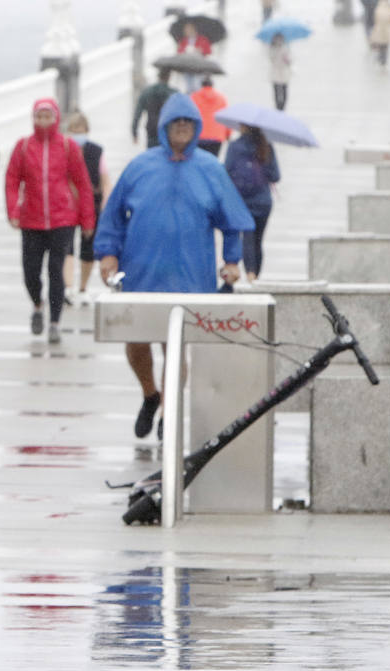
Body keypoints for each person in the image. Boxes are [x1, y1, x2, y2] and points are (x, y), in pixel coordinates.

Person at [93, 94, 254, 440]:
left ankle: (169, 410)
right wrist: (108, 253)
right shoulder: (140, 166)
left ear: (196, 128)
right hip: (141, 271)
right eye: (176, 123)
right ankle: (150, 394)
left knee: (175, 345)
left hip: (191, 274)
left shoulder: (211, 169)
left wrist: (230, 261)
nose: (182, 128)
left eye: (188, 123)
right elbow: (113, 214)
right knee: (136, 342)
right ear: (164, 127)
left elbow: (231, 220)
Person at [3, 98, 95, 344]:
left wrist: (87, 220)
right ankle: (37, 304)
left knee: (56, 271)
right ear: (33, 119)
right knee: (30, 271)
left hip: (62, 219)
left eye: (48, 116)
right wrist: (13, 209)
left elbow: (82, 183)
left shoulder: (68, 147)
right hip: (31, 220)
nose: (43, 121)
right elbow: (12, 180)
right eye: (39, 116)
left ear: (56, 119)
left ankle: (55, 322)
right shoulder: (23, 147)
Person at [63, 110, 110, 303]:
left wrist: (105, 205)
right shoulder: (63, 149)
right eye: (73, 130)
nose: (76, 134)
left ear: (87, 131)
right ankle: (67, 288)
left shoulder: (96, 152)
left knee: (88, 248)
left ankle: (82, 287)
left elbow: (105, 180)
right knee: (66, 247)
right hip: (66, 204)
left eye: (79, 130)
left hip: (92, 203)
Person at [224, 124, 281, 281]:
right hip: (263, 202)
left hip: (243, 201)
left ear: (242, 127)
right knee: (258, 240)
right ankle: (256, 275)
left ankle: (250, 274)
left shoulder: (234, 147)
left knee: (247, 238)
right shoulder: (266, 146)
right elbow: (276, 176)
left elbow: (226, 172)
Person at [131, 67, 177, 149]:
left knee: (152, 154)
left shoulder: (147, 92)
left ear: (158, 77)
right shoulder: (173, 93)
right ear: (169, 77)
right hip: (167, 129)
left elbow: (137, 114)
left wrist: (134, 132)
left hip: (151, 128)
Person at [190, 76, 231, 157]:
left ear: (202, 85)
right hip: (216, 137)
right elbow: (226, 118)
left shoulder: (194, 97)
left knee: (198, 161)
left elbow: (190, 116)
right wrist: (227, 134)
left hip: (199, 136)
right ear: (212, 85)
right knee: (213, 162)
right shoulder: (221, 99)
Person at [176, 21, 213, 92]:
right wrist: (183, 51)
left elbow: (208, 51)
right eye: (186, 30)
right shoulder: (183, 41)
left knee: (198, 84)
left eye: (189, 29)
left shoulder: (203, 39)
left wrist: (200, 51)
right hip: (187, 66)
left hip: (199, 66)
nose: (187, 31)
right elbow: (179, 53)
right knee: (189, 86)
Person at [370, 0, 390, 67]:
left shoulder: (378, 9)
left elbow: (374, 19)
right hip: (388, 30)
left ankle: (380, 58)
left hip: (379, 29)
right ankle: (384, 60)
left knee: (380, 44)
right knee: (386, 45)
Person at [269, 33, 293, 111]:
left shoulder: (286, 48)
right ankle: (277, 106)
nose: (278, 41)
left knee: (284, 89)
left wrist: (286, 59)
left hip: (284, 73)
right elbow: (271, 59)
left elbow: (290, 61)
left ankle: (282, 106)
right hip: (275, 72)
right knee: (276, 90)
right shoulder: (272, 49)